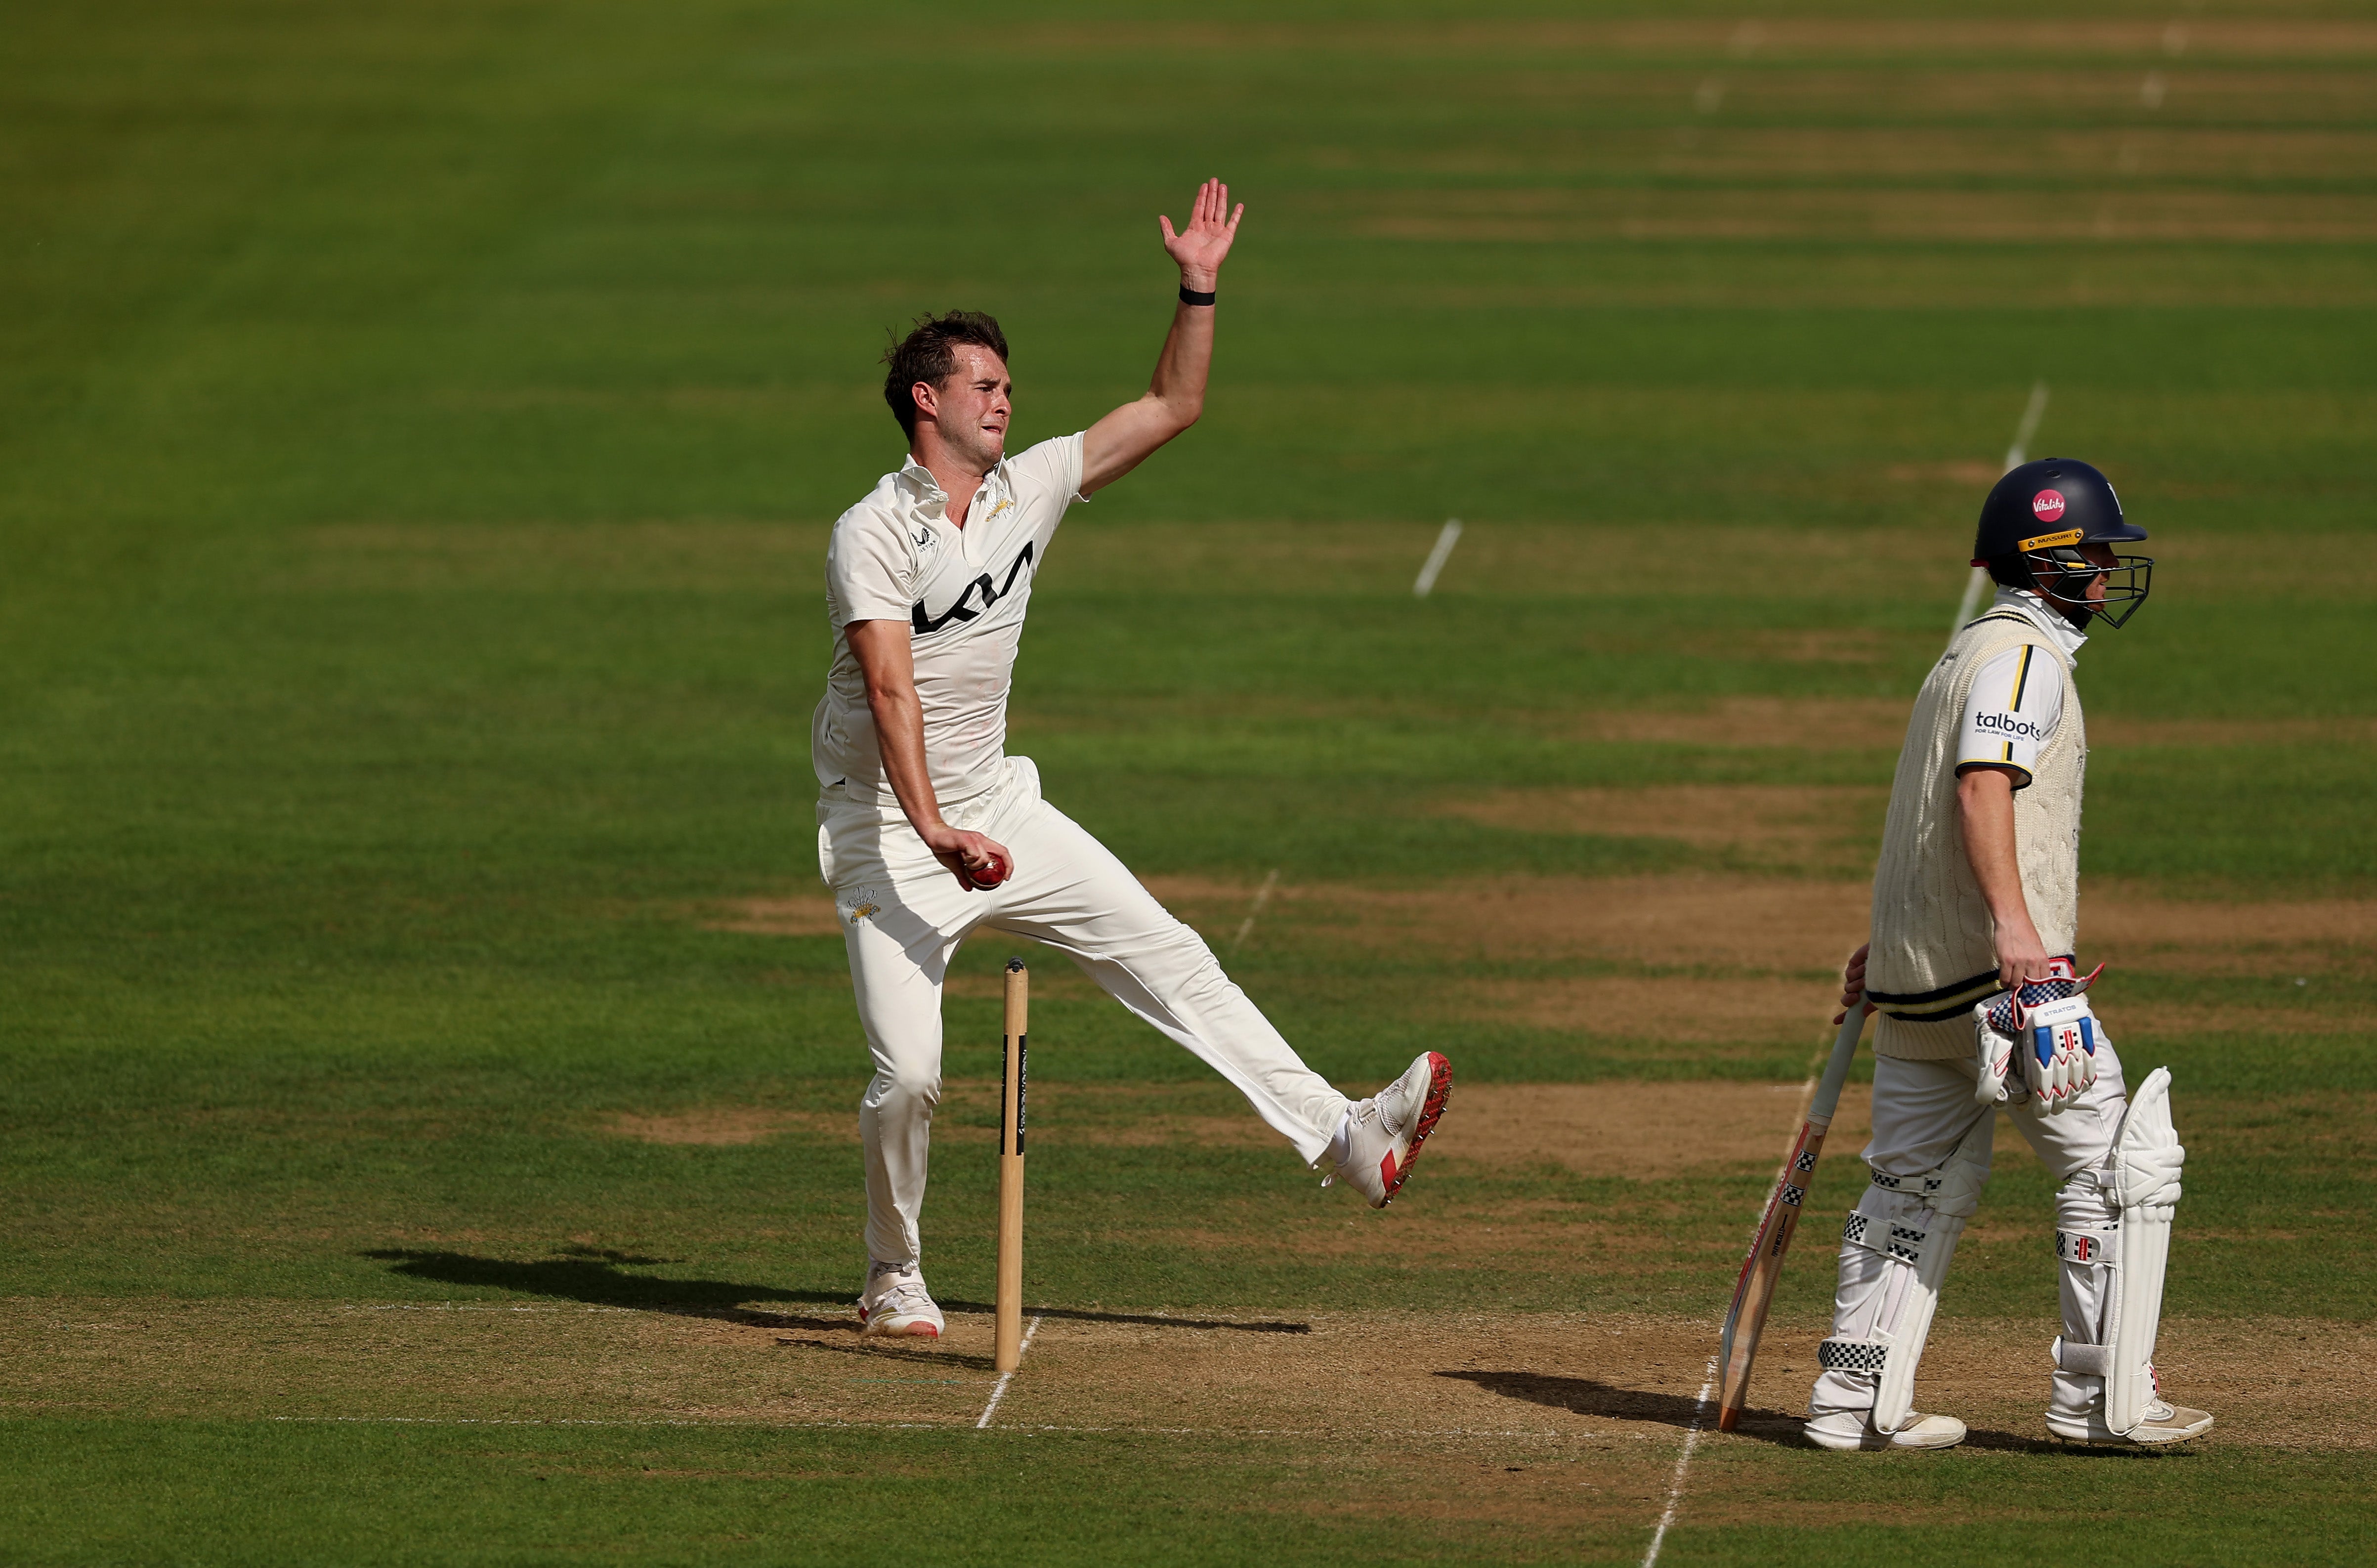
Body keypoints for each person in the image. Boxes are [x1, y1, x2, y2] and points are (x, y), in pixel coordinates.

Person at [810, 180, 1452, 1339]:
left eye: (1008, 386)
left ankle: (1344, 1138)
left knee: (1170, 952)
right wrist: (936, 832)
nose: (1007, 401)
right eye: (985, 386)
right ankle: (891, 1275)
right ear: (926, 400)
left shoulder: (1030, 487)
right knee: (909, 1077)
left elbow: (1170, 403)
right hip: (889, 835)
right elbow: (892, 691)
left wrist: (1195, 285)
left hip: (1000, 805)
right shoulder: (873, 531)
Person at [1805, 459, 2212, 1450]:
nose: (2109, 573)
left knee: (1905, 1183)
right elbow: (1980, 788)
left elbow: (1919, 820)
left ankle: (1849, 1403)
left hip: (1920, 978)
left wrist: (1891, 939)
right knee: (2117, 1167)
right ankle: (2099, 1397)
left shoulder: (1961, 655)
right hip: (1999, 982)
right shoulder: (2020, 662)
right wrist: (2018, 937)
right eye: (2096, 554)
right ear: (2048, 561)